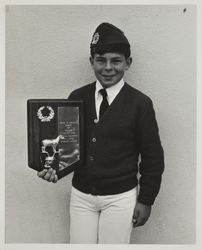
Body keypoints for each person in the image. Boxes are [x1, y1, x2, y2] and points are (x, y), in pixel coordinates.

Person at [37, 22, 164, 244]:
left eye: (116, 61)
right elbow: (68, 147)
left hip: (120, 197)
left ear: (128, 63)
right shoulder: (77, 96)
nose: (108, 67)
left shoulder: (140, 103)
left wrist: (146, 200)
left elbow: (153, 158)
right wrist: (55, 169)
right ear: (91, 62)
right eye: (100, 60)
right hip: (81, 195)